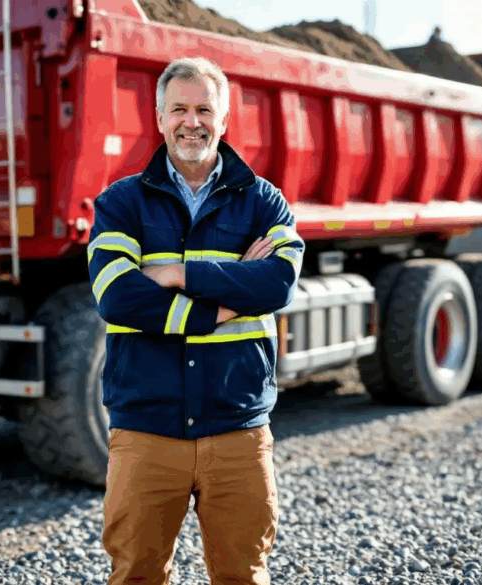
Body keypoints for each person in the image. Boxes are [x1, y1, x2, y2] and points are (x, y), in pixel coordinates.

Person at [86, 56, 304, 585]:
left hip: (237, 430)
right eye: (179, 109)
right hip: (146, 431)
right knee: (135, 573)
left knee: (242, 576)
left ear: (224, 119)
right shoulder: (121, 204)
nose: (192, 121)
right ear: (158, 118)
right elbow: (117, 297)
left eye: (204, 108)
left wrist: (177, 271)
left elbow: (277, 283)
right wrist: (220, 308)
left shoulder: (263, 202)